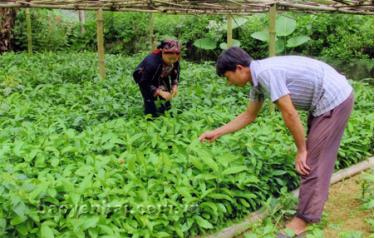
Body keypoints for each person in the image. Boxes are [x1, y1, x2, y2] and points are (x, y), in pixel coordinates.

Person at [199, 47, 354, 237]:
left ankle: (303, 221)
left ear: (239, 68)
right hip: (323, 100)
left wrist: (301, 149)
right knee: (317, 157)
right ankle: (313, 204)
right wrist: (216, 132)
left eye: (227, 76)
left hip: (333, 98)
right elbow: (249, 115)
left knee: (310, 161)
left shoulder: (265, 73)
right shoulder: (257, 80)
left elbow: (289, 112)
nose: (228, 82)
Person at [133, 39, 180, 118]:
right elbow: (144, 82)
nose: (172, 61)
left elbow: (175, 72)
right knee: (150, 100)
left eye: (174, 59)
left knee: (166, 98)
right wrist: (159, 92)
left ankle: (166, 114)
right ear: (162, 53)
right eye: (169, 59)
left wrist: (174, 85)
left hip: (161, 75)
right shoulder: (152, 63)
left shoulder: (175, 60)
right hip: (144, 78)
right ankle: (150, 119)